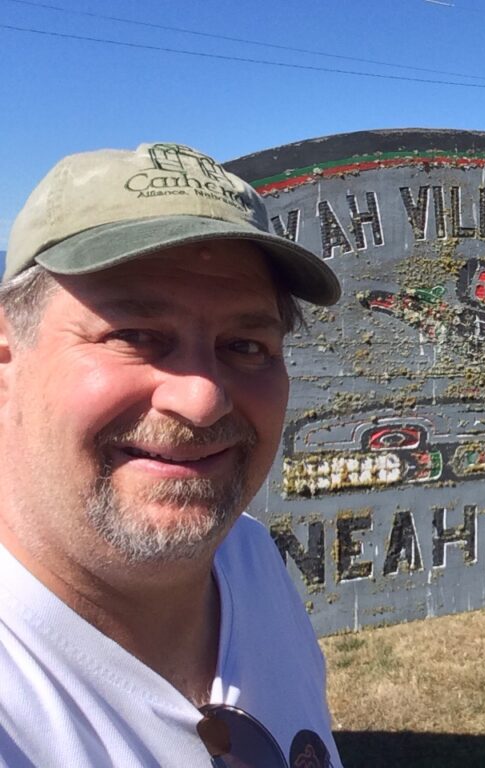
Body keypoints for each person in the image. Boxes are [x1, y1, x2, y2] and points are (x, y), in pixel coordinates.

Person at [0, 142, 344, 767]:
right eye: (134, 336)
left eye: (245, 344)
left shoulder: (250, 558)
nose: (203, 399)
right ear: (5, 359)